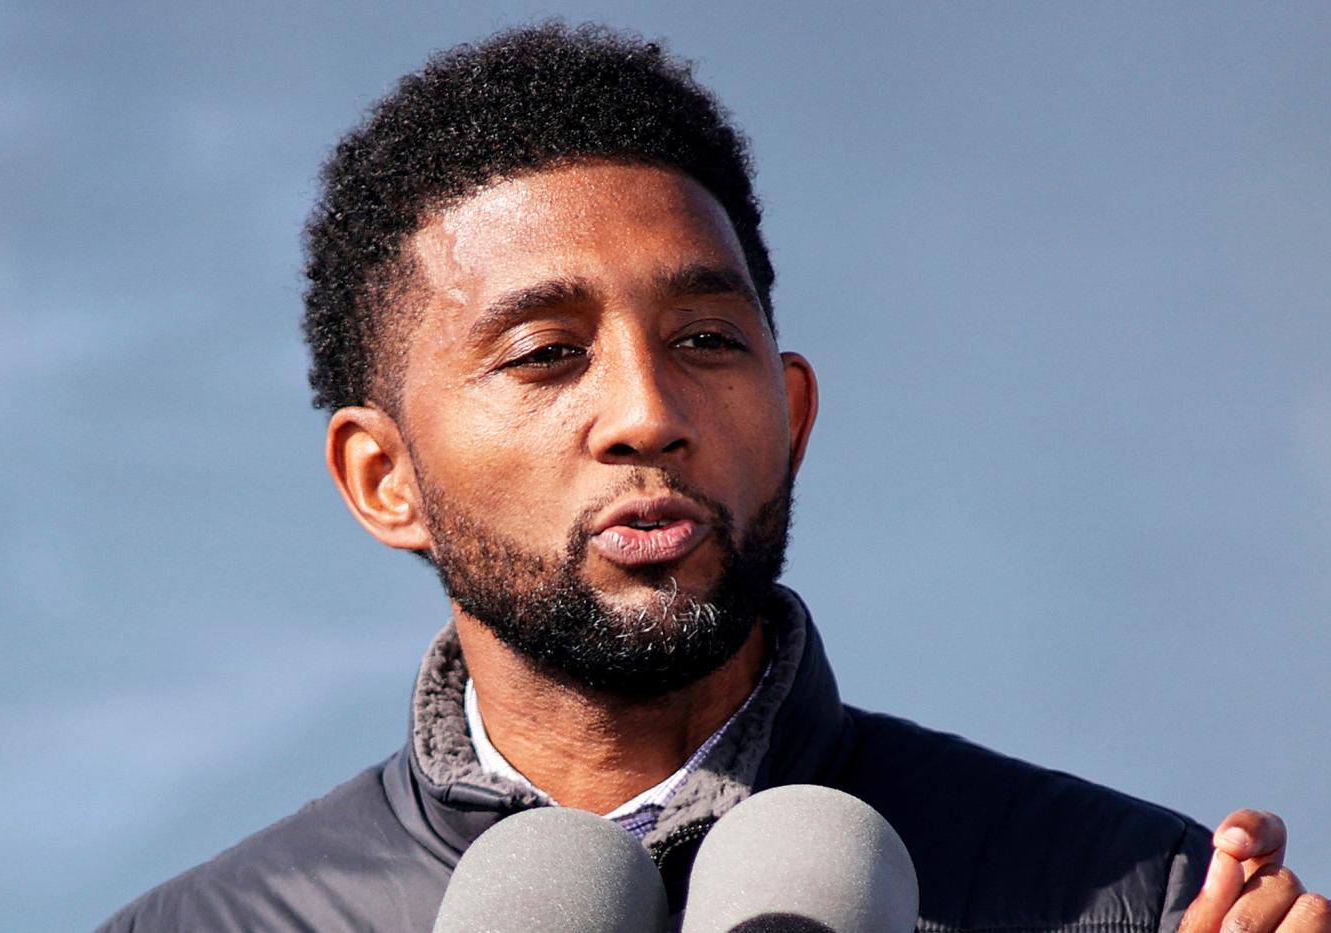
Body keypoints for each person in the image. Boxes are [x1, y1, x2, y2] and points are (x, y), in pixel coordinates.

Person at [99, 22, 1328, 933]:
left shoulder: (1128, 898)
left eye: (702, 342)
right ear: (384, 479)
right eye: (546, 356)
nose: (646, 415)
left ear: (789, 415)